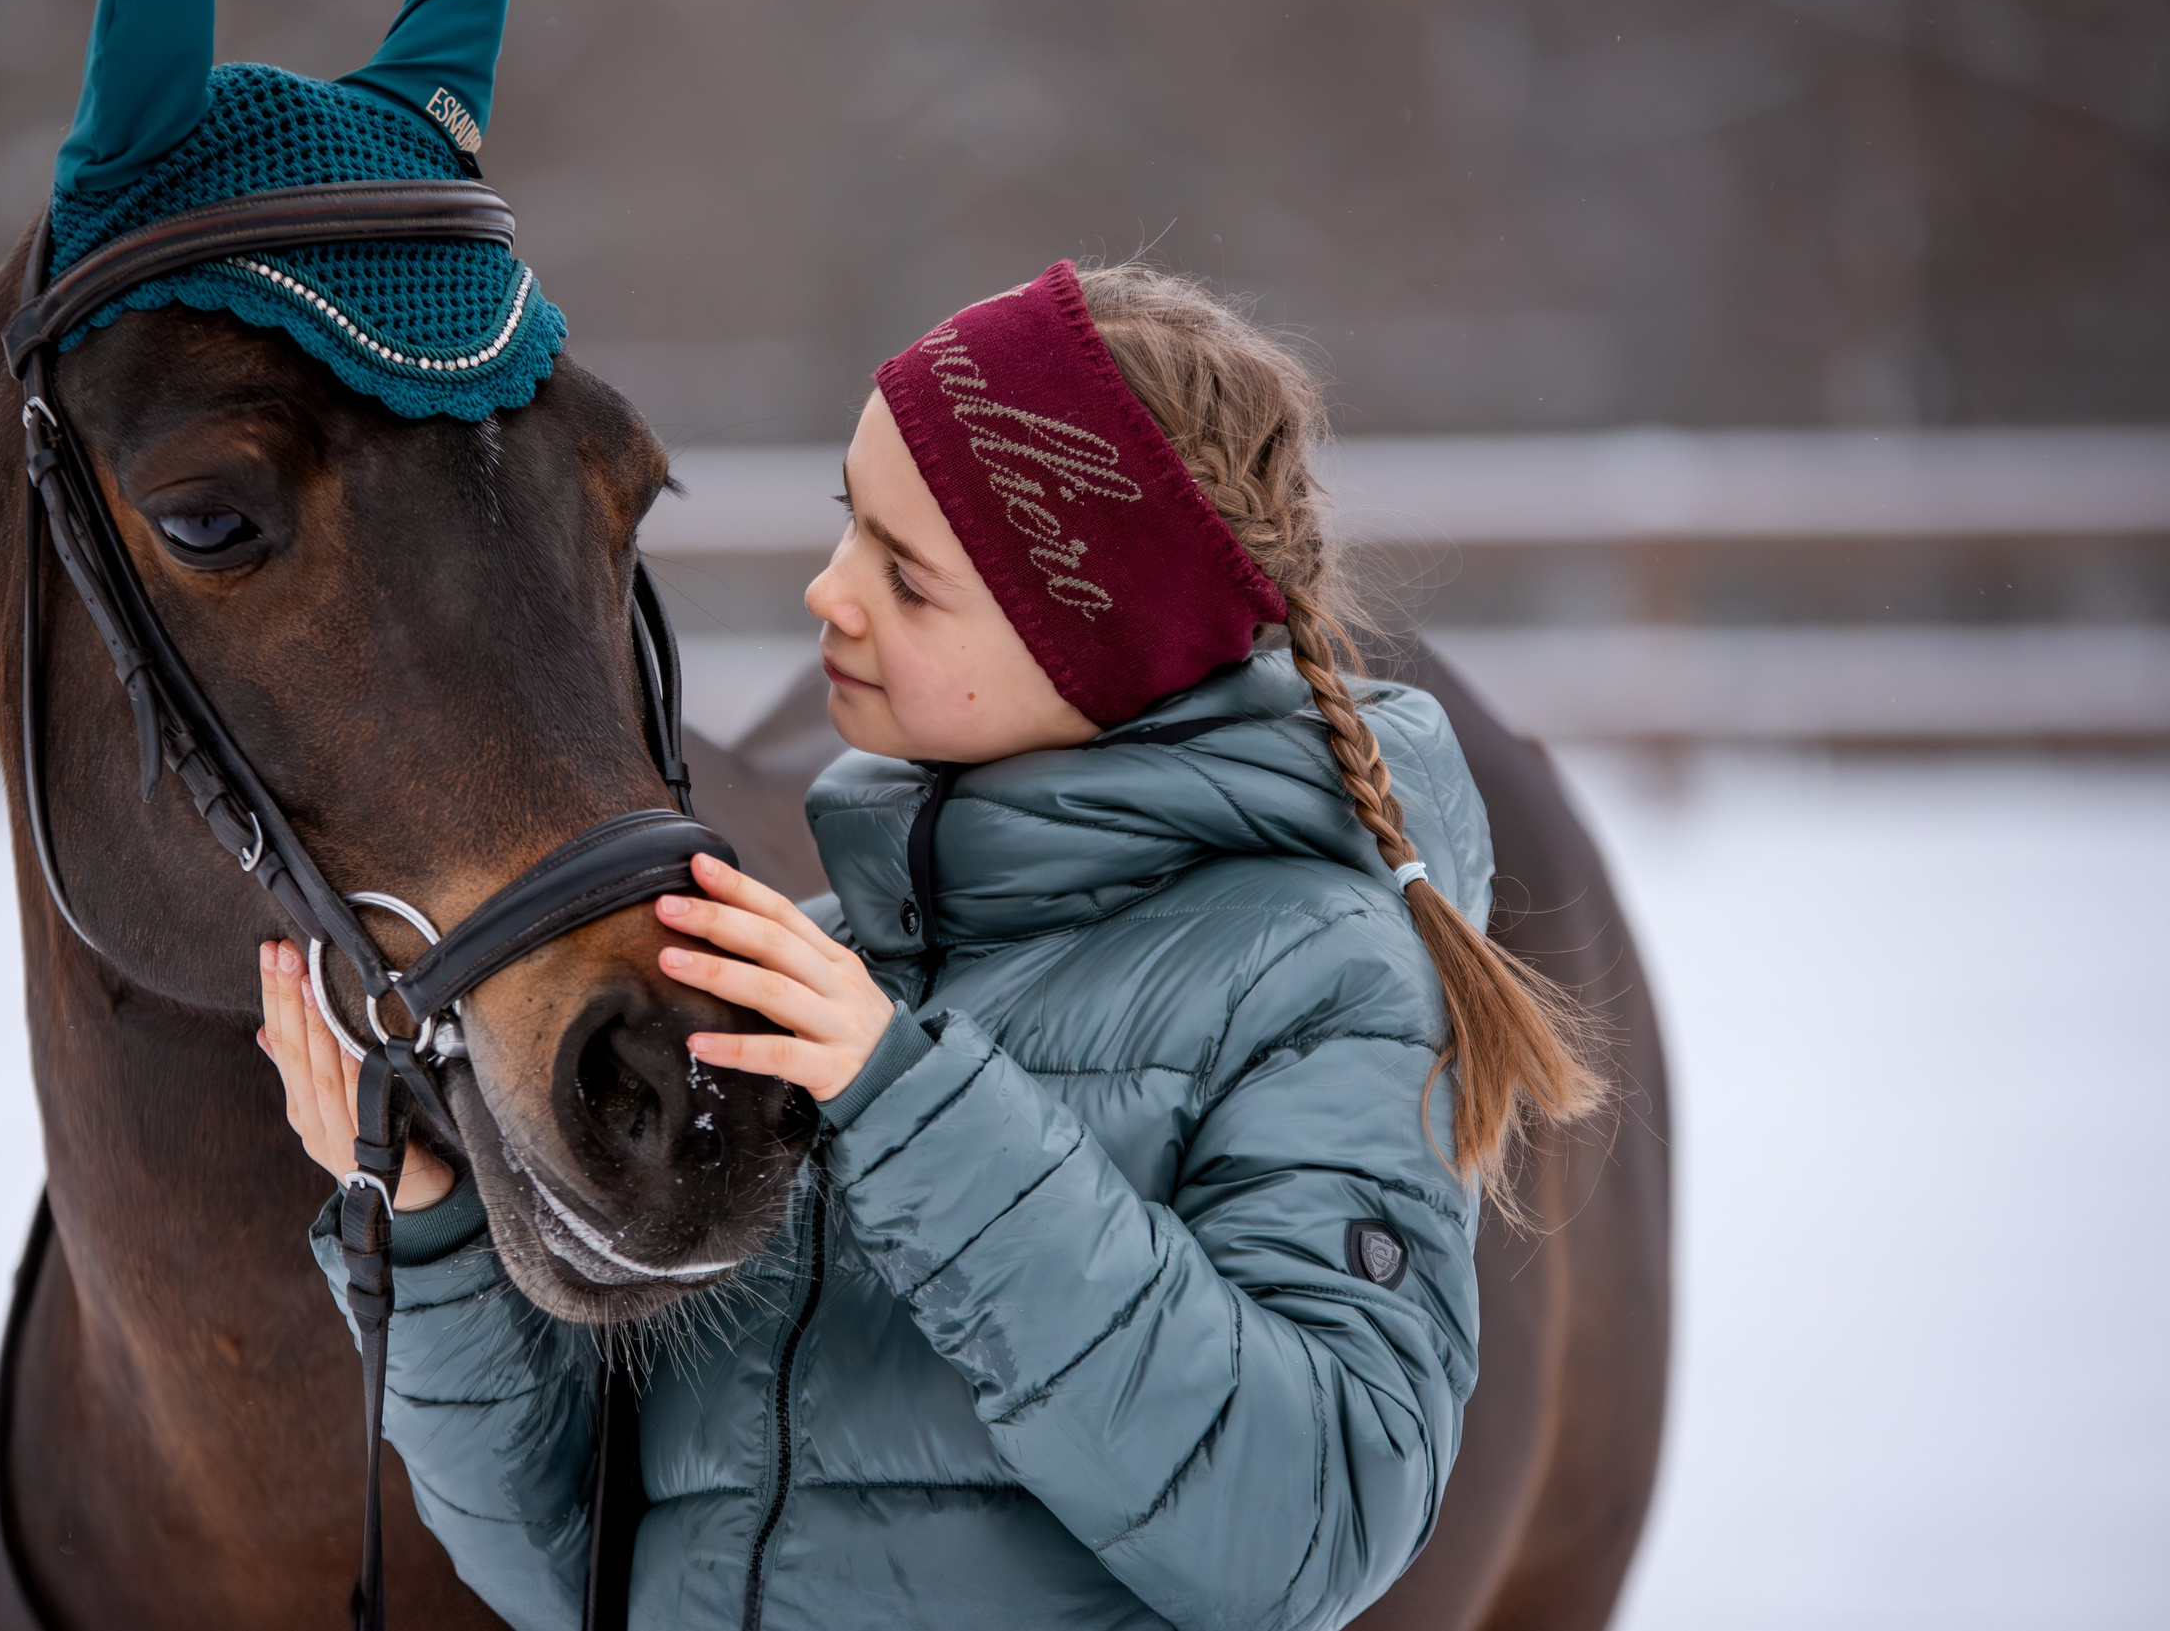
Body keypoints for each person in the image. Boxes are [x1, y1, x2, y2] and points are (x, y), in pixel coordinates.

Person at [257, 258, 1598, 1629]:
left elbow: (1307, 1528)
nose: (826, 596)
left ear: (1090, 641)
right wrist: (433, 1244)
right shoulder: (840, 971)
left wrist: (917, 1112)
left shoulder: (1319, 981)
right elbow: (577, 1573)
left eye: (906, 574)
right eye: (851, 528)